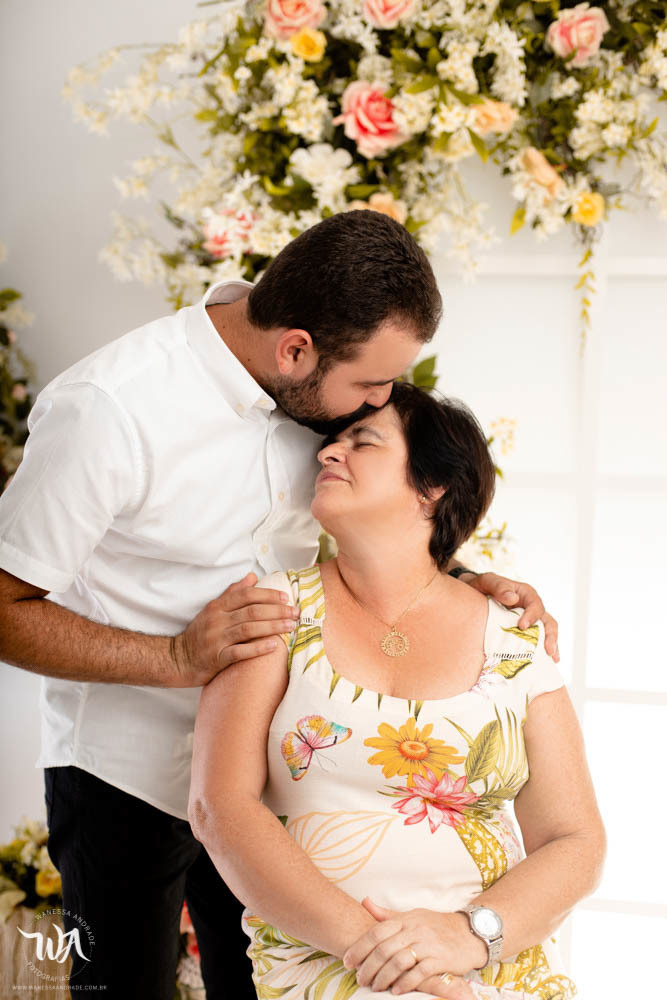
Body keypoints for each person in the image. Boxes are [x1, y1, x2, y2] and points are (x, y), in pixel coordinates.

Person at [0, 212, 559, 999]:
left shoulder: (322, 396)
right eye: (370, 384)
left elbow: (373, 516)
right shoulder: (108, 407)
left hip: (274, 773)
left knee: (262, 986)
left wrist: (462, 580)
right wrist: (173, 659)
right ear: (294, 349)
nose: (381, 400)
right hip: (124, 774)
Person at [188, 381, 605, 1000]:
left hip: (494, 962)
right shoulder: (275, 609)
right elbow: (219, 807)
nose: (329, 452)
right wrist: (393, 955)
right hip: (331, 960)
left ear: (432, 487)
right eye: (333, 441)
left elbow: (576, 839)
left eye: (363, 441)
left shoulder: (514, 638)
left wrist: (468, 935)